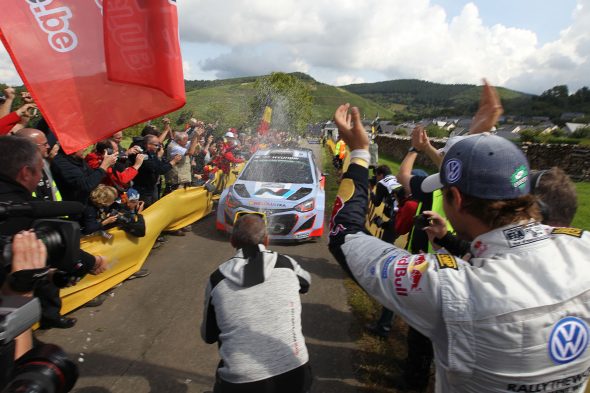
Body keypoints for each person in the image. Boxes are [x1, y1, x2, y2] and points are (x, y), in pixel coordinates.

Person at [329, 103, 590, 392]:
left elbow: (345, 235)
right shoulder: (581, 245)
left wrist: (359, 152)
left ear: (455, 197)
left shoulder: (451, 285)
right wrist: (447, 240)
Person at [0, 136, 108, 328]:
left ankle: (49, 314)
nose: (42, 176)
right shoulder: (18, 210)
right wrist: (93, 262)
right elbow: (51, 243)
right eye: (40, 170)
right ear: (25, 173)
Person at [201, 215, 312, 393]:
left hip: (241, 382)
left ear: (232, 241)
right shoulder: (287, 264)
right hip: (296, 372)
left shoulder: (216, 279)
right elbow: (306, 284)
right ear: (266, 240)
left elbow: (208, 336)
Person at [133, 134, 181, 206]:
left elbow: (160, 164)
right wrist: (173, 162)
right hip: (143, 189)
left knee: (154, 205)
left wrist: (163, 158)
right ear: (148, 144)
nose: (158, 147)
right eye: (156, 145)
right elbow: (159, 170)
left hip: (152, 187)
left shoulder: (152, 153)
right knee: (146, 209)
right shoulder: (142, 155)